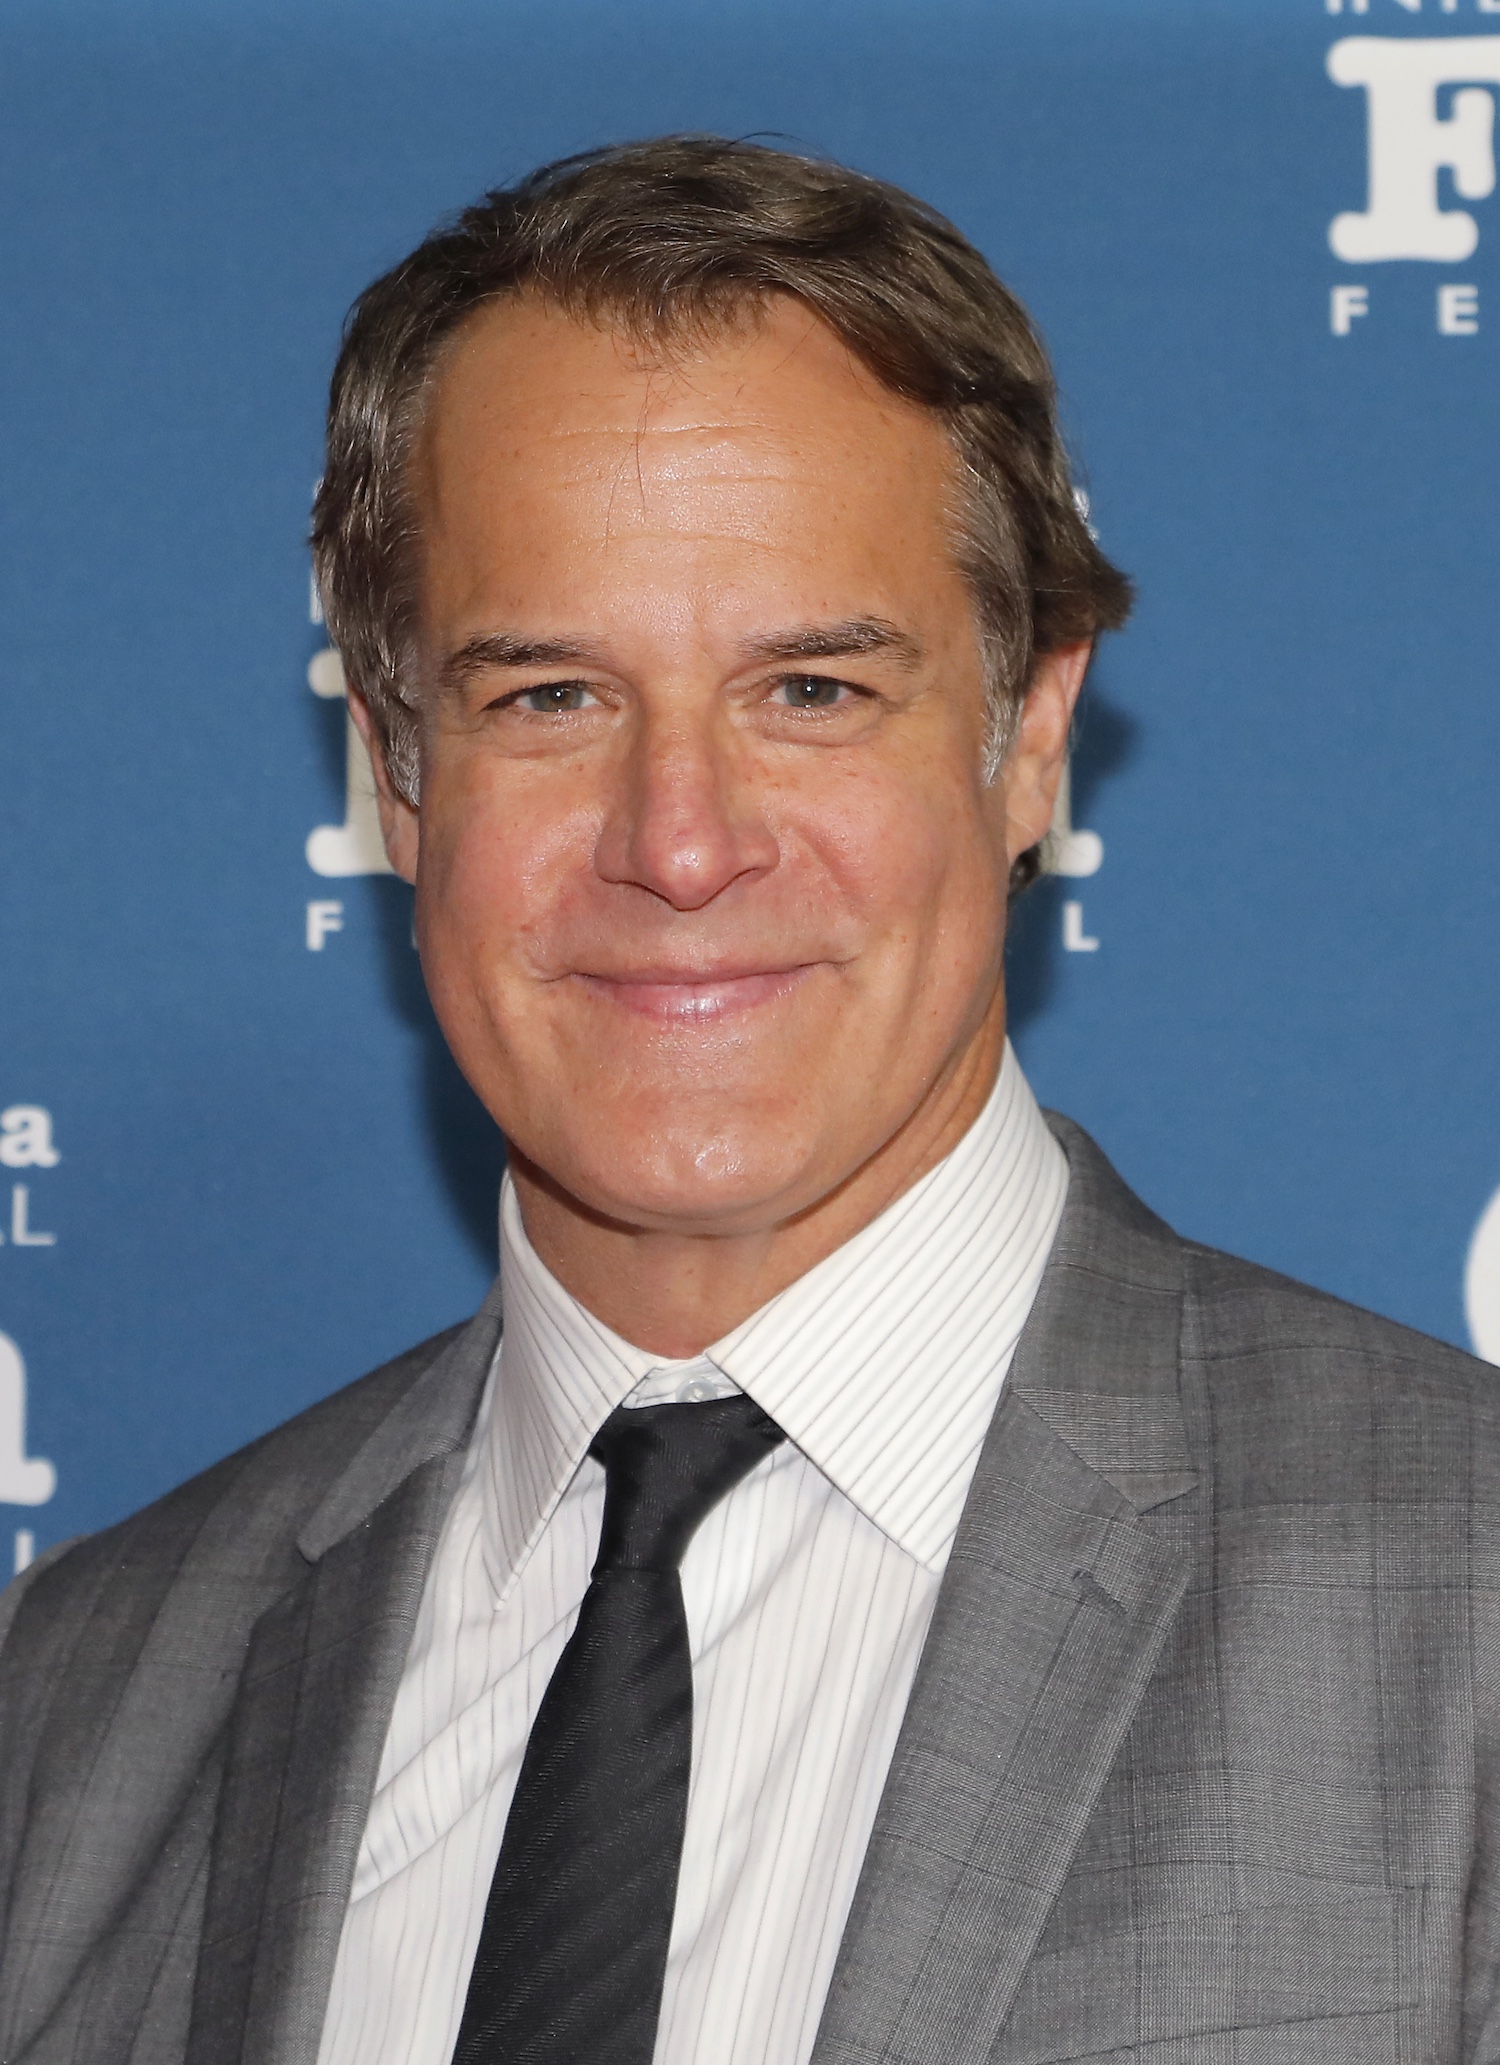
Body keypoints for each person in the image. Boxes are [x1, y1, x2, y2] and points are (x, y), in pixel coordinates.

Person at [0, 135, 1495, 2065]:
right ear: (393, 769)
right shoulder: (82, 1701)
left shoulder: (1459, 1599)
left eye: (812, 691)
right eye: (549, 696)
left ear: (1030, 737)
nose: (681, 842)